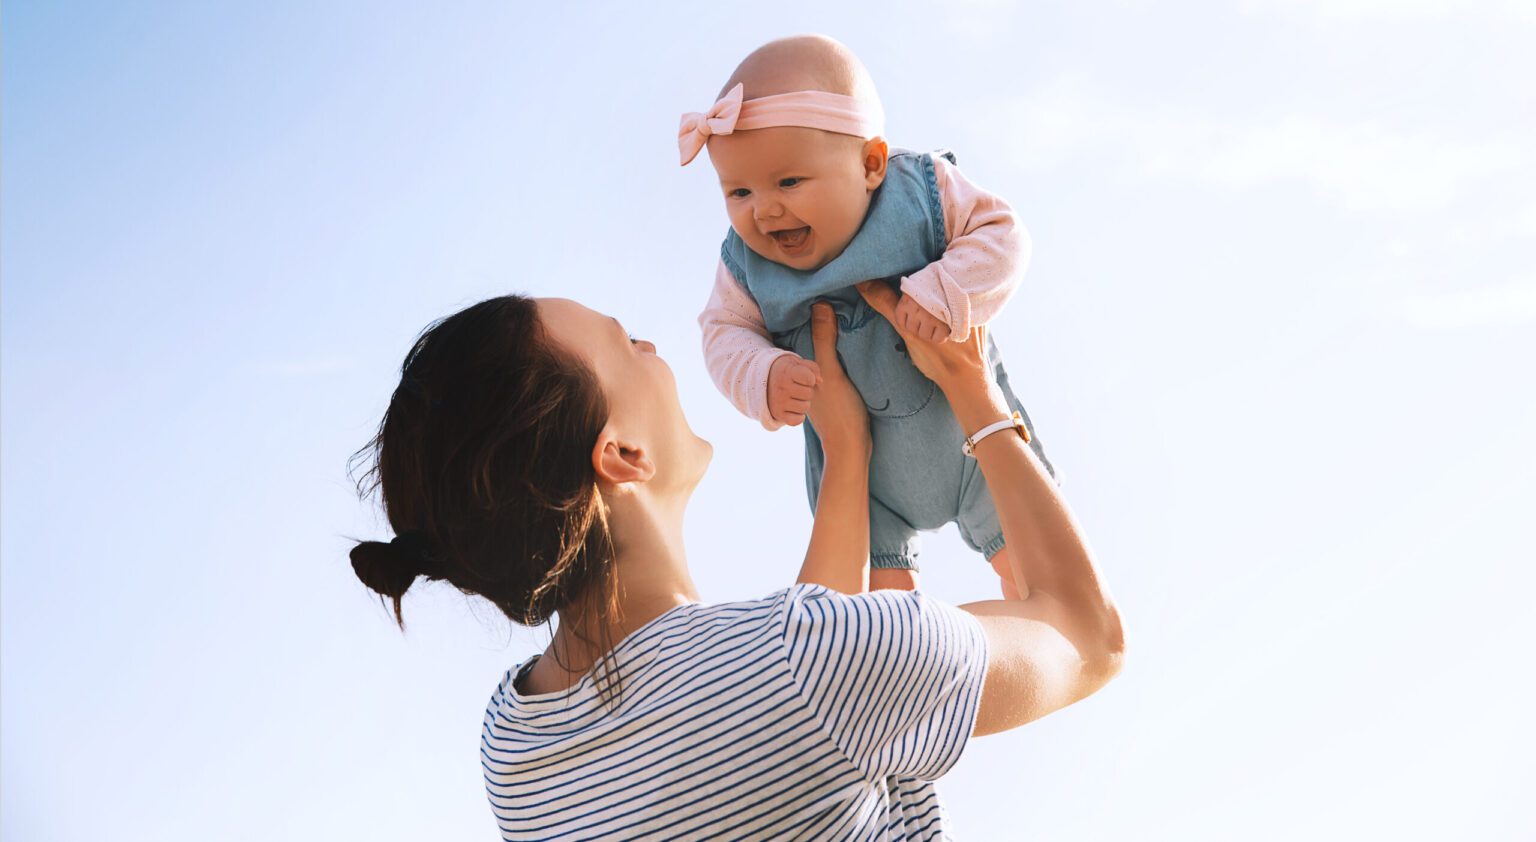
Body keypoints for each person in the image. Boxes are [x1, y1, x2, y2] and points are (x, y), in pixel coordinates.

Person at [348, 282, 1124, 839]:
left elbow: (788, 723)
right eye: (627, 344)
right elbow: (1089, 637)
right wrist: (972, 390)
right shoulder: (816, 663)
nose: (653, 349)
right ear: (622, 454)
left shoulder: (518, 747)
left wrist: (846, 454)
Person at [689, 35, 1052, 598]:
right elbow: (722, 332)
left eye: (788, 181)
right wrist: (762, 373)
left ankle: (1041, 628)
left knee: (1035, 573)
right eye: (738, 192)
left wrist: (945, 290)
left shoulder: (919, 192)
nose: (765, 210)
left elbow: (1003, 234)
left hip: (973, 439)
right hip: (867, 484)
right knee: (879, 615)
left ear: (871, 164)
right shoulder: (745, 266)